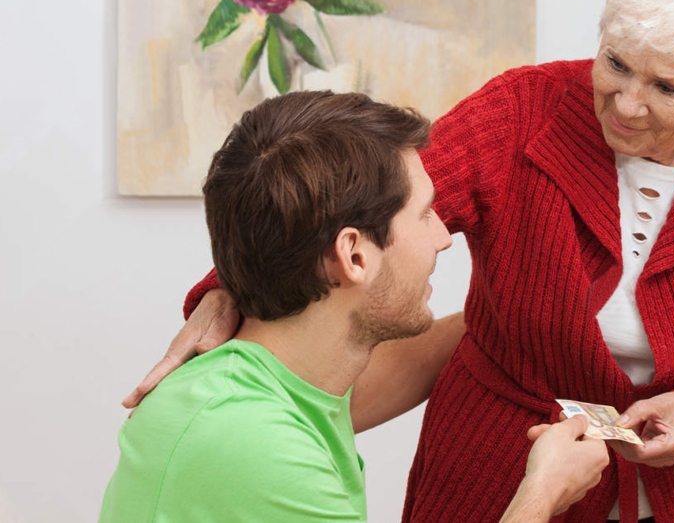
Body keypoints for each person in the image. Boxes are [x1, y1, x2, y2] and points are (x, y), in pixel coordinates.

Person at [126, 0, 674, 521]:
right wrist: (228, 288)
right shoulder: (523, 109)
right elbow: (359, 209)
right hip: (495, 473)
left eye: (667, 87)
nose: (627, 103)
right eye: (616, 63)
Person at [100, 91, 609, 523]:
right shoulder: (261, 447)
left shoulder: (268, 387)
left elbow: (441, 351)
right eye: (428, 213)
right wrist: (542, 494)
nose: (443, 238)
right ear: (354, 255)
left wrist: (528, 306)